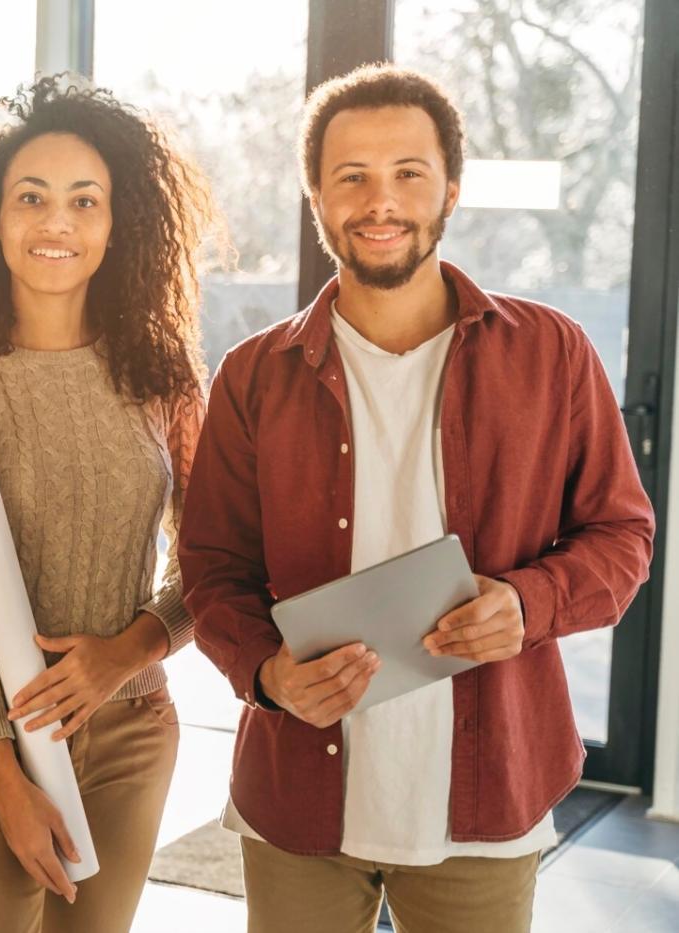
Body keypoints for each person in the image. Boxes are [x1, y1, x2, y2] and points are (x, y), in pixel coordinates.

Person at [180, 64, 655, 933]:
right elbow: (212, 567)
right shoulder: (252, 375)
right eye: (350, 176)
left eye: (407, 172)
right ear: (315, 198)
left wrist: (528, 601)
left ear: (450, 188)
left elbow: (622, 536)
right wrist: (267, 673)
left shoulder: (551, 353)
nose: (379, 201)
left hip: (489, 792)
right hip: (297, 798)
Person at [0, 75, 213, 933]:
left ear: (116, 223)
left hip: (131, 730)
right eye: (30, 198)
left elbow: (210, 560)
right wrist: (5, 778)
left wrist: (125, 653)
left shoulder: (162, 374)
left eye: (84, 201)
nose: (56, 222)